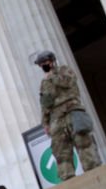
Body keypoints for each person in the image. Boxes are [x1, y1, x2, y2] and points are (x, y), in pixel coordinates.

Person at [35, 50, 101, 181]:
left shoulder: (64, 71)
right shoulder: (44, 83)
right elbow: (45, 105)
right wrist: (46, 123)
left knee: (84, 143)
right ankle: (68, 178)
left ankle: (95, 173)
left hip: (73, 112)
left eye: (45, 63)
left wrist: (52, 76)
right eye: (41, 64)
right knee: (61, 151)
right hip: (56, 119)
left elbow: (69, 83)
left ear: (52, 62)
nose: (44, 66)